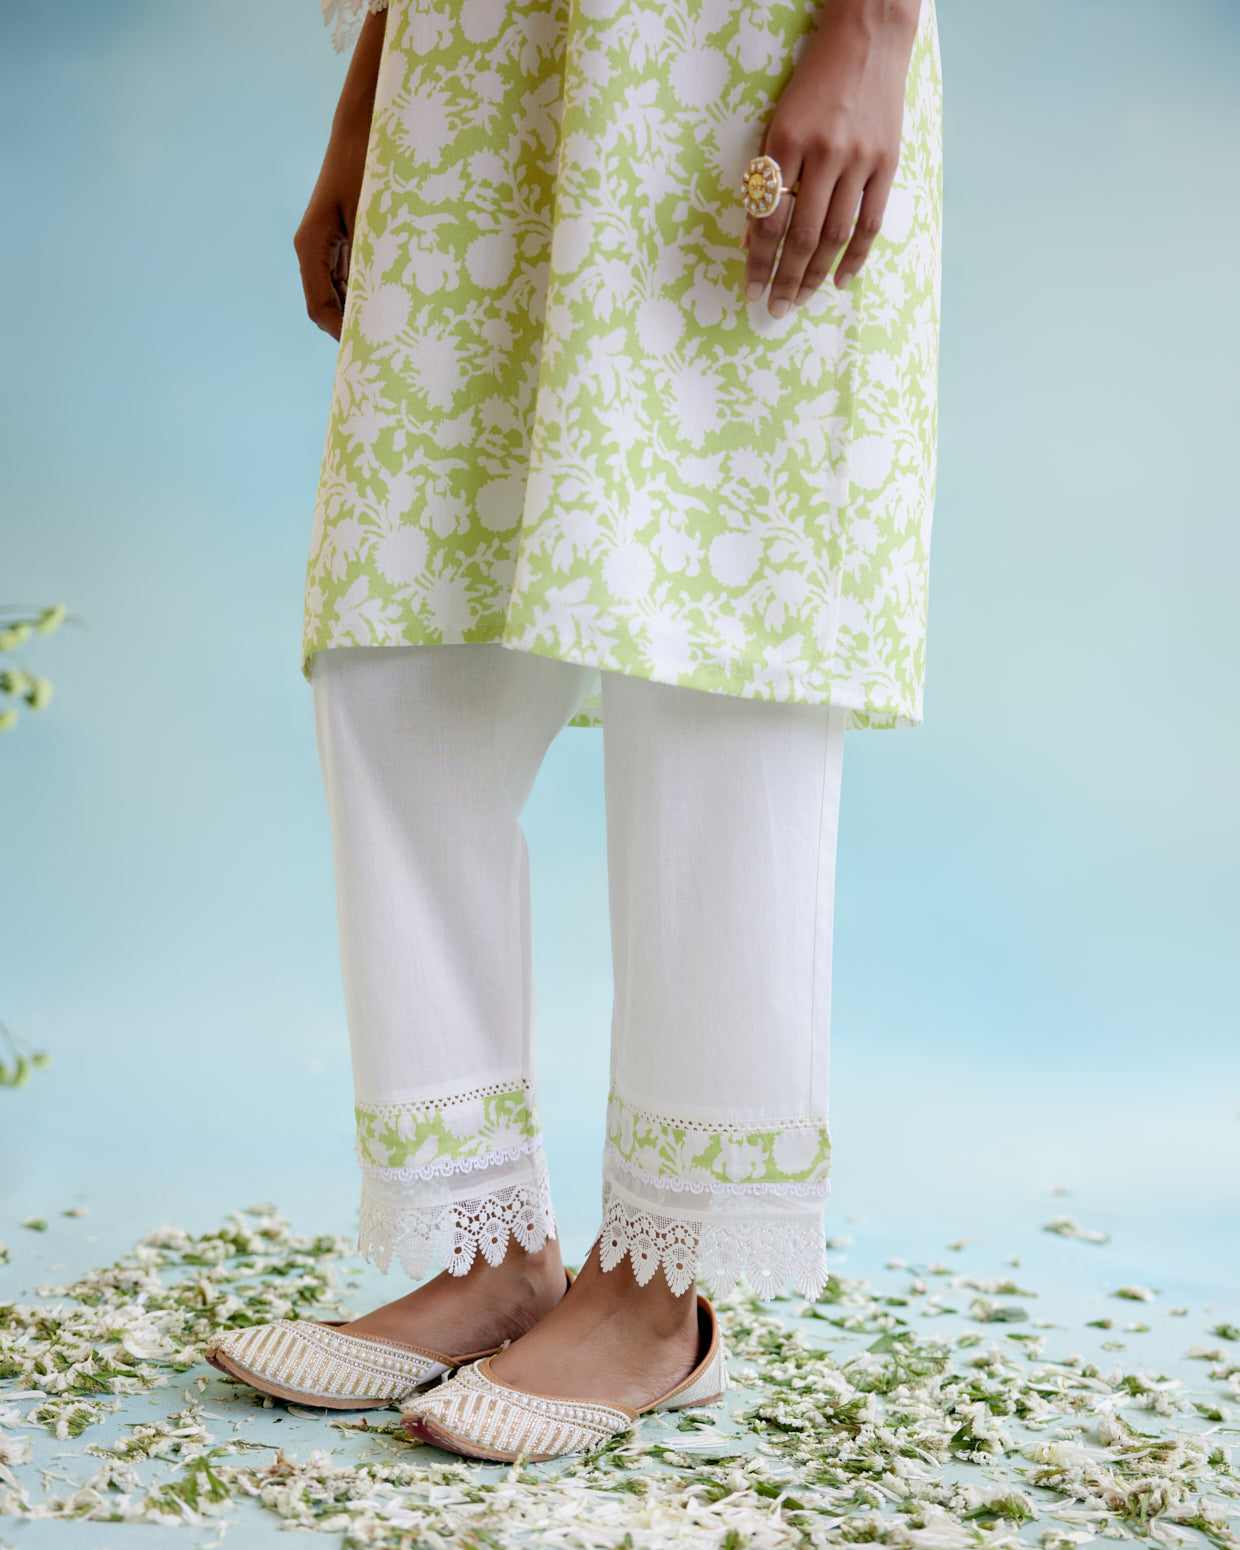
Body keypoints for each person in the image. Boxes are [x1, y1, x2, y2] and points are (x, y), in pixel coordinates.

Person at [207, 0, 941, 1463]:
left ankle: (660, 1290)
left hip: (725, 54)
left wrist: (869, 33)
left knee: (716, 630)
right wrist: (368, 92)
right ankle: (485, 1245)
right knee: (401, 633)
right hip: (474, 59)